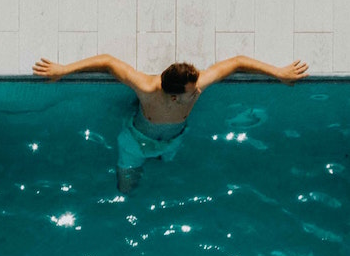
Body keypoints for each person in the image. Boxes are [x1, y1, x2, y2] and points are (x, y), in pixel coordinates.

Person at [32, 54, 309, 193]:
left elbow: (236, 62)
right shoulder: (147, 88)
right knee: (126, 190)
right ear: (174, 95)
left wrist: (280, 73)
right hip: (136, 142)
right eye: (192, 89)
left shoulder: (196, 84)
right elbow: (106, 61)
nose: (199, 90)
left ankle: (161, 159)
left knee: (168, 162)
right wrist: (62, 70)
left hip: (175, 138)